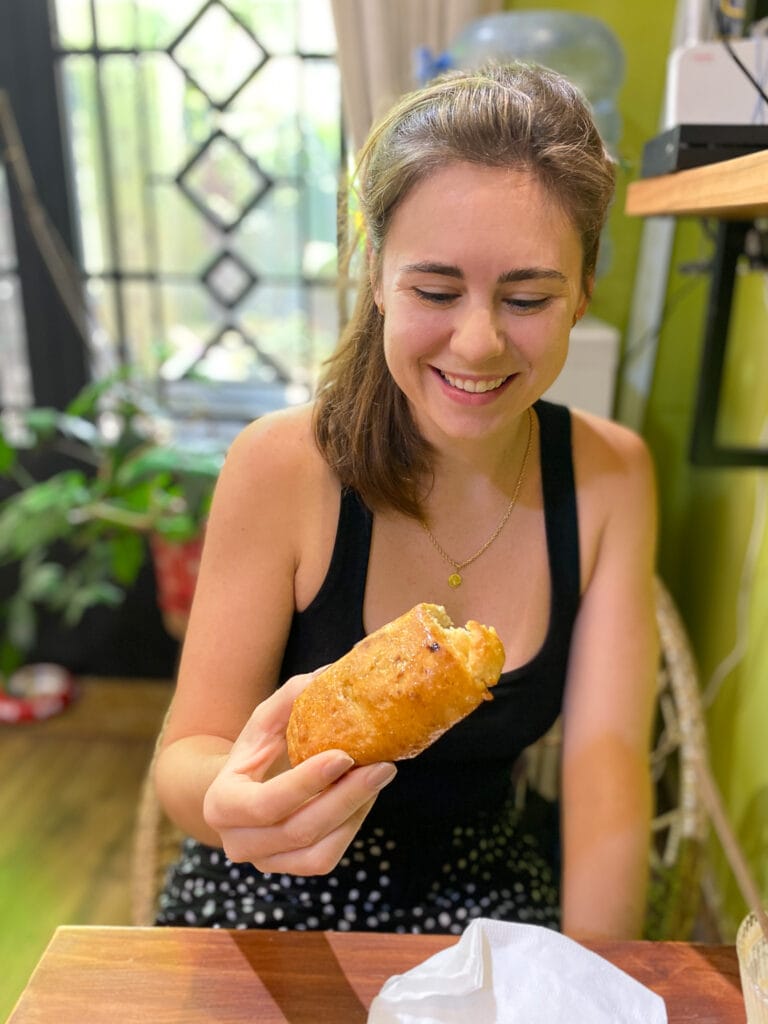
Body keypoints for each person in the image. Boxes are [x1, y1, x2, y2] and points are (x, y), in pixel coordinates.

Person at [153, 61, 658, 940]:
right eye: (434, 290)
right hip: (267, 897)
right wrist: (238, 803)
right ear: (377, 276)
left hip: (486, 900)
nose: (478, 340)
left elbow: (606, 780)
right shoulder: (284, 466)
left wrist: (597, 980)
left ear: (582, 292)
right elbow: (189, 753)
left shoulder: (611, 476)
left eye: (528, 296)